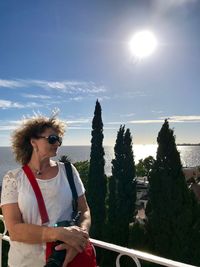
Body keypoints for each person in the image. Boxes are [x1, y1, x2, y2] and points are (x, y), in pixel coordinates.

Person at [1, 115, 92, 267]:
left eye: (59, 140)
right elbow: (14, 230)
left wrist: (78, 239)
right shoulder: (13, 178)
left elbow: (85, 211)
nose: (57, 143)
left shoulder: (69, 171)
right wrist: (58, 233)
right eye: (52, 138)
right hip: (25, 262)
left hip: (65, 260)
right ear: (33, 141)